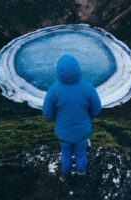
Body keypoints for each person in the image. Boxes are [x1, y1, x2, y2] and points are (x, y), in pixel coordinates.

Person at [42, 54, 101, 184]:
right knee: (81, 154)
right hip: (82, 132)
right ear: (78, 69)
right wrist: (88, 118)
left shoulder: (53, 90)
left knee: (66, 154)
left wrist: (57, 121)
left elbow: (47, 114)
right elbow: (96, 109)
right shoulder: (88, 87)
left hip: (63, 132)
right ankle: (81, 176)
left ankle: (67, 178)